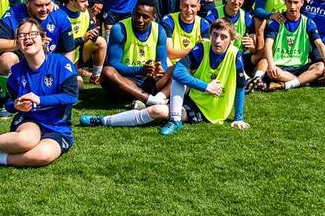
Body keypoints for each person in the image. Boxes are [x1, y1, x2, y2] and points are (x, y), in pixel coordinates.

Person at [80, 18, 251, 136]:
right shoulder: (202, 48)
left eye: (223, 37)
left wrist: (239, 118)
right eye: (215, 35)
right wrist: (206, 86)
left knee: (156, 110)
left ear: (231, 40)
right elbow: (178, 72)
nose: (218, 41)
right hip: (192, 97)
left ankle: (103, 120)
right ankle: (170, 115)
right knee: (178, 73)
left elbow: (241, 87)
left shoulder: (235, 55)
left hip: (208, 111)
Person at [0, 18, 79, 167]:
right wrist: (16, 106)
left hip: (57, 127)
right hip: (30, 121)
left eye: (33, 34)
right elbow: (8, 103)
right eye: (22, 35)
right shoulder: (16, 72)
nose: (28, 38)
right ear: (18, 44)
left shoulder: (62, 64)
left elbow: (71, 97)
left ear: (43, 39)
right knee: (27, 140)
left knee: (42, 155)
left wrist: (39, 100)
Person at [0, 0, 74, 118]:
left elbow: (69, 50)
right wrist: (25, 42)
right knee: (6, 59)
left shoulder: (59, 16)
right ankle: (10, 98)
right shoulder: (14, 14)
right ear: (27, 3)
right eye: (39, 5)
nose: (45, 9)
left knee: (78, 84)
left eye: (47, 4)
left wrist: (65, 76)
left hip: (47, 66)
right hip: (21, 64)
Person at [251, 0, 325, 91]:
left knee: (320, 66)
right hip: (280, 67)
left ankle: (284, 85)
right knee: (266, 63)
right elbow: (268, 44)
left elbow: (320, 44)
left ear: (302, 3)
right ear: (285, 2)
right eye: (289, 2)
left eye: (296, 2)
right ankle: (303, 81)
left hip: (300, 66)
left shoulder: (308, 22)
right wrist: (271, 65)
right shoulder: (277, 21)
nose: (293, 6)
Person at [98, 0, 171, 107]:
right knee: (107, 72)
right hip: (125, 80)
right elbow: (113, 63)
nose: (140, 20)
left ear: (154, 17)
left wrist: (160, 70)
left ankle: (152, 98)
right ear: (133, 12)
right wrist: (139, 70)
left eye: (145, 17)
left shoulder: (159, 31)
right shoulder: (119, 29)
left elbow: (163, 61)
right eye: (137, 14)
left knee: (178, 69)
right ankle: (151, 100)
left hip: (149, 80)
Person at [216, 0, 260, 67]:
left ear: (243, 0)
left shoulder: (247, 17)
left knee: (262, 57)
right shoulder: (214, 14)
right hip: (219, 55)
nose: (236, 2)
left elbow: (253, 51)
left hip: (239, 57)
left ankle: (257, 76)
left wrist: (252, 46)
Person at [162, 0, 212, 67]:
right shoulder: (169, 20)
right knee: (164, 59)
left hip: (192, 66)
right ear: (180, 5)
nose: (189, 10)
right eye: (185, 6)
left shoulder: (203, 24)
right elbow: (169, 53)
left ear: (198, 7)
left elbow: (204, 53)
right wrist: (194, 48)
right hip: (171, 65)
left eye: (193, 6)